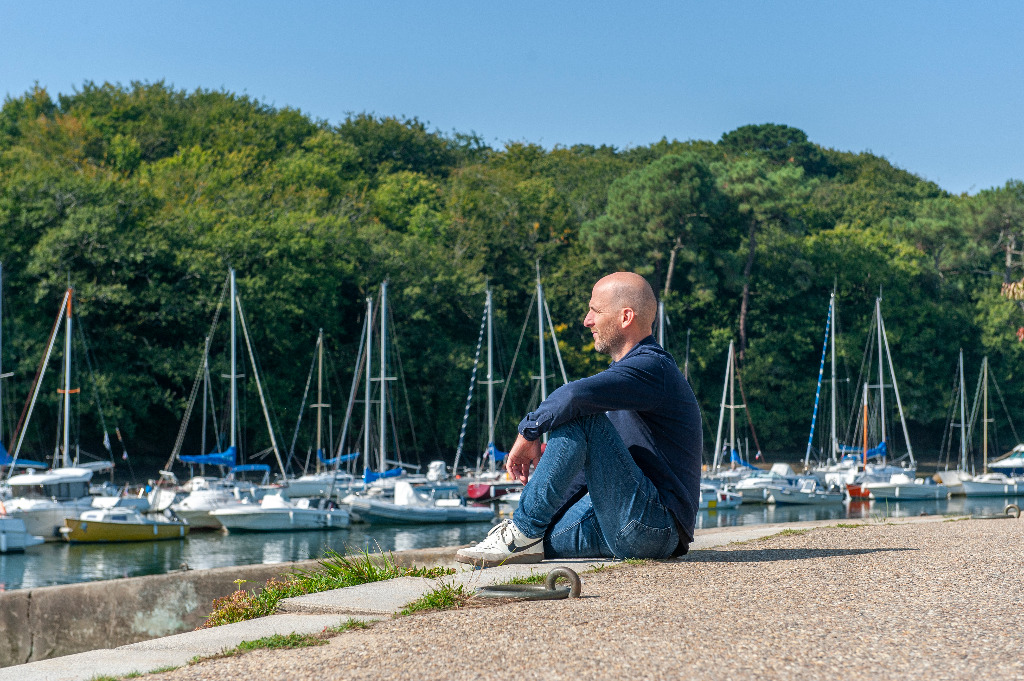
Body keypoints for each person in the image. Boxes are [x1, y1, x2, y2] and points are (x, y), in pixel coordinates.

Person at [456, 272, 702, 567]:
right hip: (619, 524)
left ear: (626, 317)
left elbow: (573, 396)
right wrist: (541, 518)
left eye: (595, 311)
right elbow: (588, 474)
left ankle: (519, 533)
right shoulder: (628, 381)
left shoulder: (653, 368)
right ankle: (525, 537)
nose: (587, 321)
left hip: (652, 526)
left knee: (581, 418)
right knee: (539, 538)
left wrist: (529, 431)